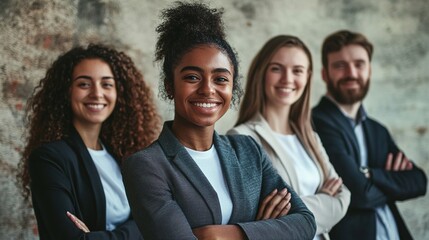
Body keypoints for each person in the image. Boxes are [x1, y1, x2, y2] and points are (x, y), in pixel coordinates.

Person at [122, 2, 316, 240]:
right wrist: (263, 229)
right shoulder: (146, 166)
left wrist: (223, 234)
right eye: (192, 77)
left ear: (232, 87)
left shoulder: (248, 150)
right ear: (170, 85)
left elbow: (305, 223)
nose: (207, 89)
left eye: (220, 79)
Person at [17, 44, 161, 240]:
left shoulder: (124, 155)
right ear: (66, 91)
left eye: (107, 84)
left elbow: (155, 221)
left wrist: (96, 236)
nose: (97, 93)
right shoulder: (49, 159)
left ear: (119, 93)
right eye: (84, 84)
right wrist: (140, 229)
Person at [228, 35, 350, 240]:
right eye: (276, 68)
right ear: (262, 72)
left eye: (297, 71)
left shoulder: (311, 137)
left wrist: (289, 212)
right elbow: (253, 216)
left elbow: (343, 197)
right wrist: (323, 199)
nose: (287, 79)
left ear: (308, 77)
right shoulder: (241, 138)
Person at [312, 30, 427, 240]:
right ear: (324, 74)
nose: (352, 73)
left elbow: (419, 182)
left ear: (370, 70)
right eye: (340, 65)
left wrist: (371, 174)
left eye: (359, 64)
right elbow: (360, 195)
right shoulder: (316, 122)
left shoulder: (377, 130)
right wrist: (392, 181)